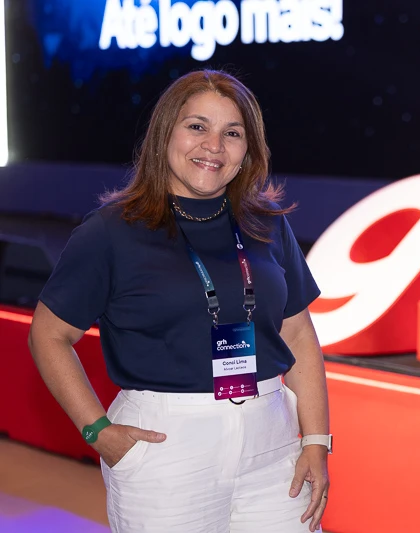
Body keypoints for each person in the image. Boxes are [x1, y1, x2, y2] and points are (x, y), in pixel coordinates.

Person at [27, 70, 331, 533]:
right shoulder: (110, 231)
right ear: (165, 133)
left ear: (248, 149)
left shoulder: (267, 222)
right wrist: (98, 431)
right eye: (197, 126)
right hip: (166, 450)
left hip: (273, 447)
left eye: (232, 133)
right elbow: (49, 334)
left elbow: (299, 333)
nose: (214, 146)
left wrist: (316, 440)